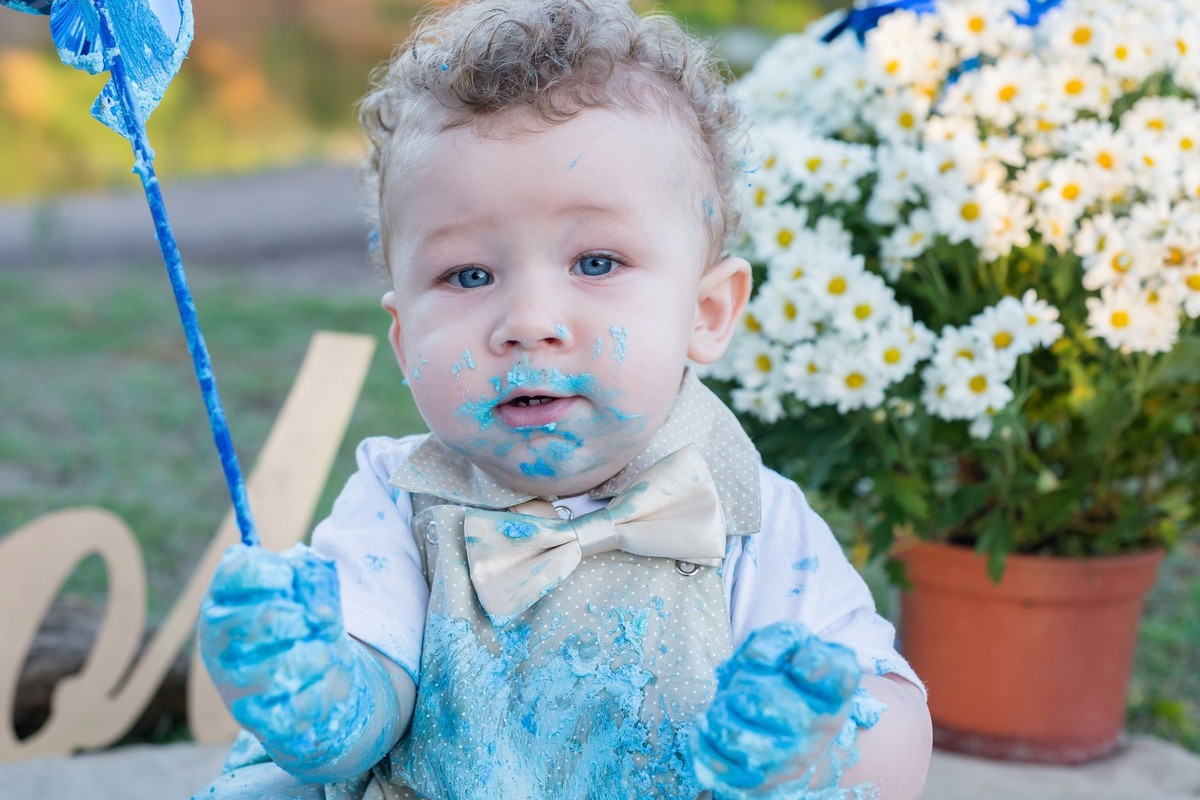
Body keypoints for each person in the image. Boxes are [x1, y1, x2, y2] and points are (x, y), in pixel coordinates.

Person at [194, 1, 933, 798]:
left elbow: (897, 720)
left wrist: (818, 740)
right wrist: (317, 694)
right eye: (468, 275)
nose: (529, 322)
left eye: (596, 262)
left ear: (706, 312)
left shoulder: (750, 519)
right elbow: (366, 709)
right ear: (405, 341)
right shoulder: (397, 505)